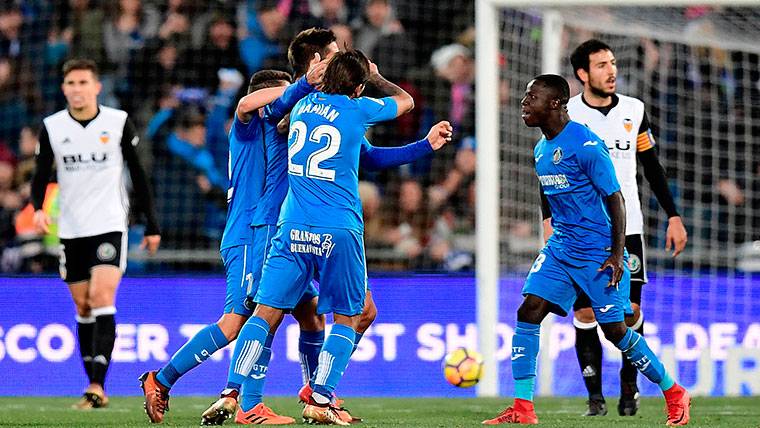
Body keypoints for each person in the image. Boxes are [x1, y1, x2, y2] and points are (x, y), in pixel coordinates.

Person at [216, 50, 415, 426]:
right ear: (356, 87)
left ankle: (232, 392)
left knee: (263, 314)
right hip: (338, 228)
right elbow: (406, 102)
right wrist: (377, 77)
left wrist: (306, 82)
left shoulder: (302, 104)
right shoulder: (359, 109)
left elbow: (273, 115)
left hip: (291, 228)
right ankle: (320, 397)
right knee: (349, 316)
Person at [482, 75, 690, 426]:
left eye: (531, 97)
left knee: (616, 332)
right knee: (529, 311)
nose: (524, 103)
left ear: (554, 103)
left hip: (598, 252)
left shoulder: (585, 144)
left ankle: (673, 392)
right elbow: (550, 195)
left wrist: (616, 253)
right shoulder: (541, 149)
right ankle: (523, 408)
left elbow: (615, 198)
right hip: (562, 248)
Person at [564, 39, 688, 416]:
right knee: (585, 314)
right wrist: (549, 219)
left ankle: (629, 389)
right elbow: (553, 169)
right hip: (582, 231)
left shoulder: (634, 110)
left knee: (628, 313)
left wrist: (673, 215)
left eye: (613, 63)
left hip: (627, 227)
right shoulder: (568, 113)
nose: (611, 70)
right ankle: (595, 399)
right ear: (583, 74)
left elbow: (652, 167)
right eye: (601, 65)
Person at [30, 58, 160, 409]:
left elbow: (139, 174)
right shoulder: (53, 127)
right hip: (70, 229)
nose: (77, 89)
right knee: (83, 304)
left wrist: (151, 225)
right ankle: (92, 383)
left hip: (109, 224)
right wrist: (39, 208)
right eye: (71, 83)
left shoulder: (117, 122)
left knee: (102, 296)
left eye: (83, 82)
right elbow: (41, 173)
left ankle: (97, 385)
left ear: (96, 86)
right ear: (64, 88)